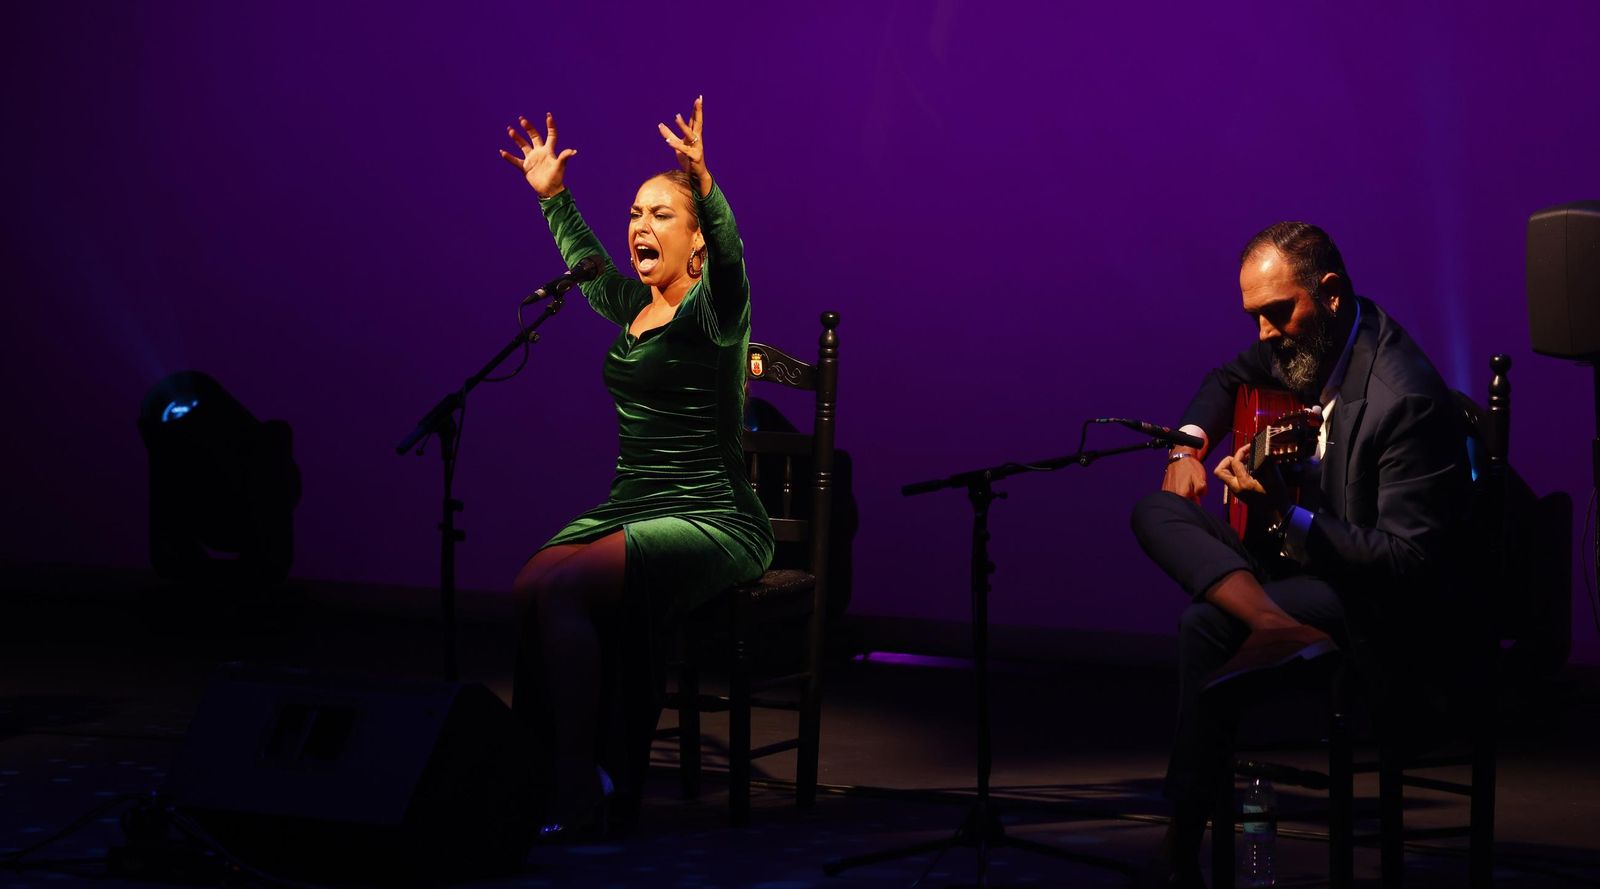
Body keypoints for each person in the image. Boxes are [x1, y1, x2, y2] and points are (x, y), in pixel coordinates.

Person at [1128, 222, 1470, 886]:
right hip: (1303, 572)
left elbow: (1410, 563)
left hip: (1373, 602)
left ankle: (1180, 839)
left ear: (1331, 294)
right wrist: (1186, 446)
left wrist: (1285, 513)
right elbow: (1228, 375)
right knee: (1155, 508)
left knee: (1204, 624)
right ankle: (1270, 623)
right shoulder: (1301, 343)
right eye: (1254, 317)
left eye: (1276, 313)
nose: (1264, 334)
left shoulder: (1405, 397)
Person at [498, 97, 774, 835]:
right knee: (532, 582)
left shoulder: (716, 317)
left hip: (711, 512)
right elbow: (589, 272)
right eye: (634, 214)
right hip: (633, 503)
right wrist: (555, 197)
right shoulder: (634, 307)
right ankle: (534, 768)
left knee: (565, 592)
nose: (639, 227)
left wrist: (708, 189)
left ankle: (581, 780)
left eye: (660, 215)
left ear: (696, 244)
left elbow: (737, 263)